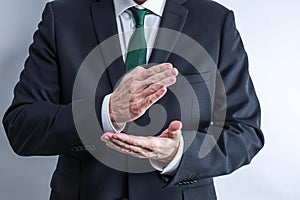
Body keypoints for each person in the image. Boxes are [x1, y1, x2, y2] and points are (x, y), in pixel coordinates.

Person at [2, 0, 264, 199]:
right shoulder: (62, 16)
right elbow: (22, 127)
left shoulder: (215, 21)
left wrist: (178, 155)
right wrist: (107, 112)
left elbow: (245, 132)